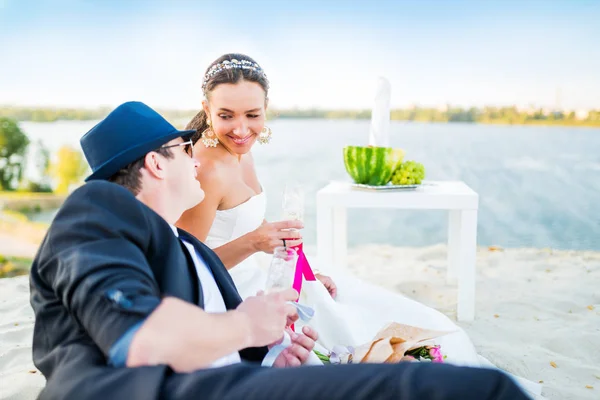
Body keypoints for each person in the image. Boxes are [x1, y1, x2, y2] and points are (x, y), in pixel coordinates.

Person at [28, 101, 529, 400]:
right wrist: (246, 324)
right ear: (156, 165)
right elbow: (142, 342)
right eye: (184, 151)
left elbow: (214, 345)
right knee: (478, 392)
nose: (198, 164)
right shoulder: (97, 209)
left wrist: (268, 361)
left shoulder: (190, 251)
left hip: (229, 385)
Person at [175, 53, 487, 361]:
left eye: (252, 115)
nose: (242, 130)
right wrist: (255, 242)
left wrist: (305, 272)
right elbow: (187, 268)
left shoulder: (240, 151)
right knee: (349, 333)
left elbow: (246, 221)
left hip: (265, 275)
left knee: (395, 314)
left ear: (266, 109)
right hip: (234, 294)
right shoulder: (205, 170)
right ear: (207, 109)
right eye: (226, 115)